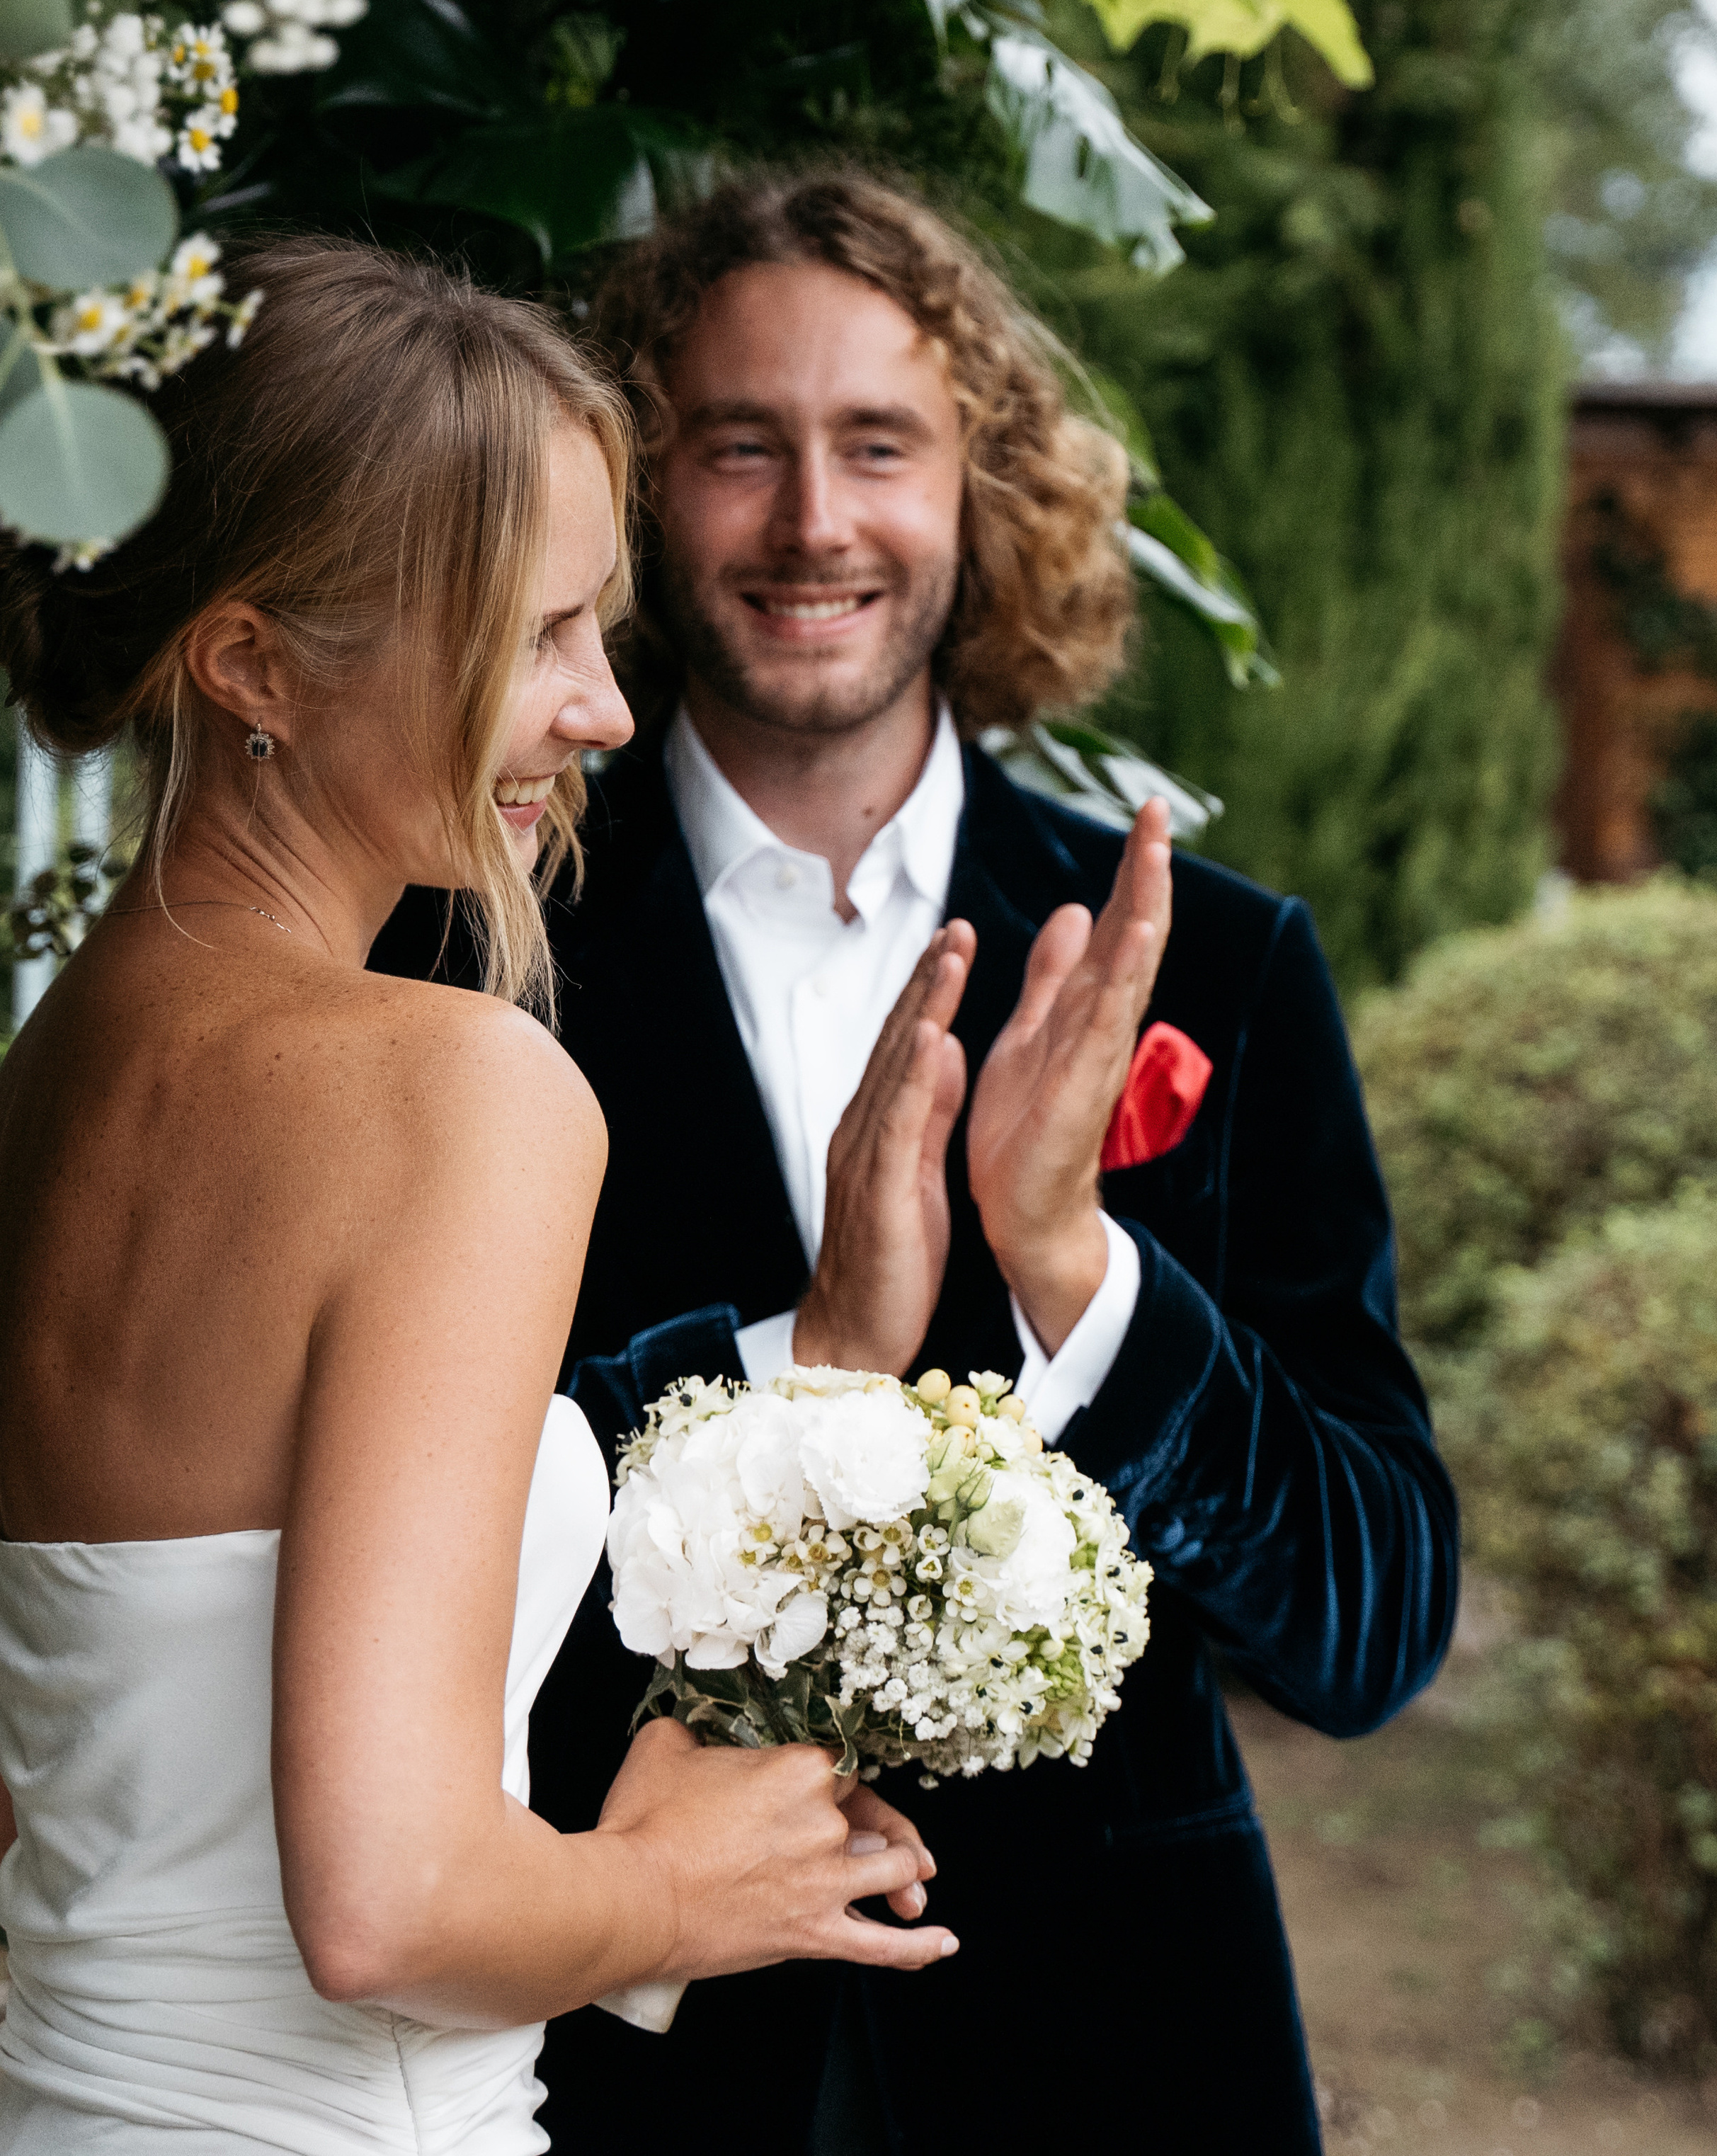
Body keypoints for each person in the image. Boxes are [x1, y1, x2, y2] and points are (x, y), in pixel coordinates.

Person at [375, 168, 1461, 2152]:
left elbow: (1371, 1628)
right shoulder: (455, 954)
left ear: (985, 488)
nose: (815, 521)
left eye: (880, 445)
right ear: (635, 496)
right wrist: (795, 1353)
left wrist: (1080, 1275)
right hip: (618, 2075)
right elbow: (389, 1578)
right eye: (740, 446)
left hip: (1124, 2062)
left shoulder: (1218, 967)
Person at [0, 236, 953, 2156]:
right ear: (255, 664)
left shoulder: (41, 1088)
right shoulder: (456, 1090)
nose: (606, 710)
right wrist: (681, 1891)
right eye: (539, 638)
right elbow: (389, 1907)